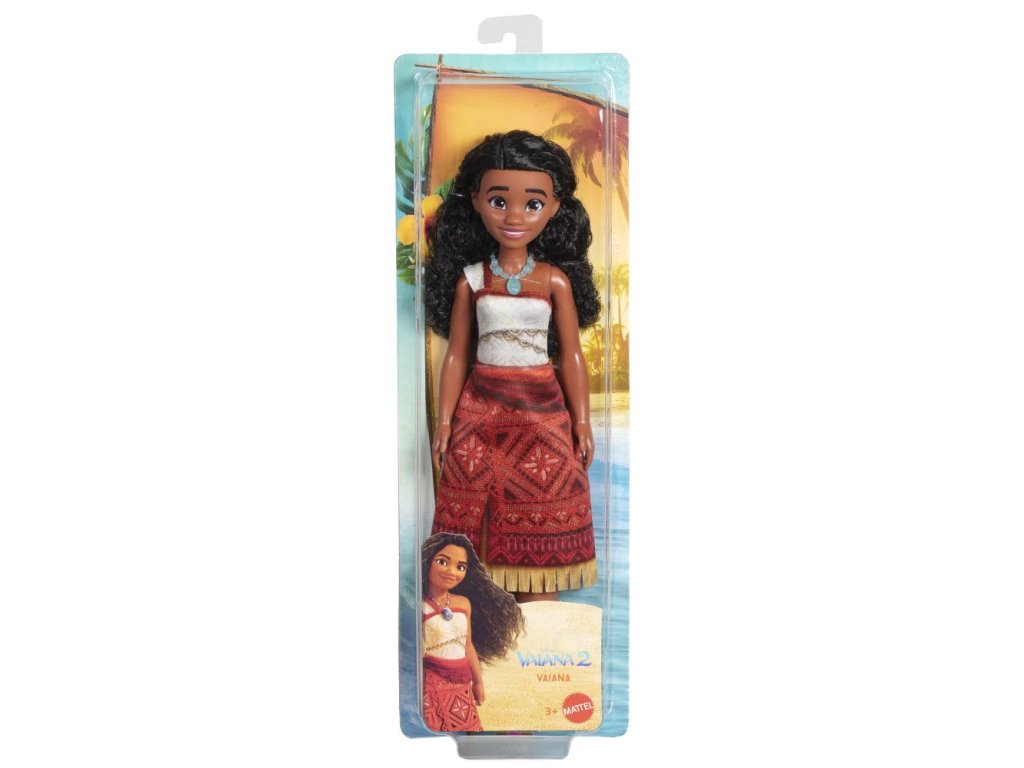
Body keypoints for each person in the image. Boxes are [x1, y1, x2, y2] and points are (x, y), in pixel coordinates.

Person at [425, 130, 601, 601]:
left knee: (550, 521)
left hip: (543, 417)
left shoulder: (554, 281)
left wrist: (582, 421)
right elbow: (457, 354)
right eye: (499, 201)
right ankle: (477, 620)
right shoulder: (471, 281)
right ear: (476, 201)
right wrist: (445, 422)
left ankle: (543, 629)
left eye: (533, 203)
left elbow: (572, 354)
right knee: (472, 534)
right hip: (480, 416)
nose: (515, 217)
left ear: (555, 206)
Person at [421, 532, 524, 732]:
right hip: (431, 681)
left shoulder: (463, 603)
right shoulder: (419, 606)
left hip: (462, 681)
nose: (452, 572)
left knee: (470, 729)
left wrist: (478, 682)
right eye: (442, 562)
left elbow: (467, 645)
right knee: (437, 729)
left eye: (460, 567)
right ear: (427, 562)